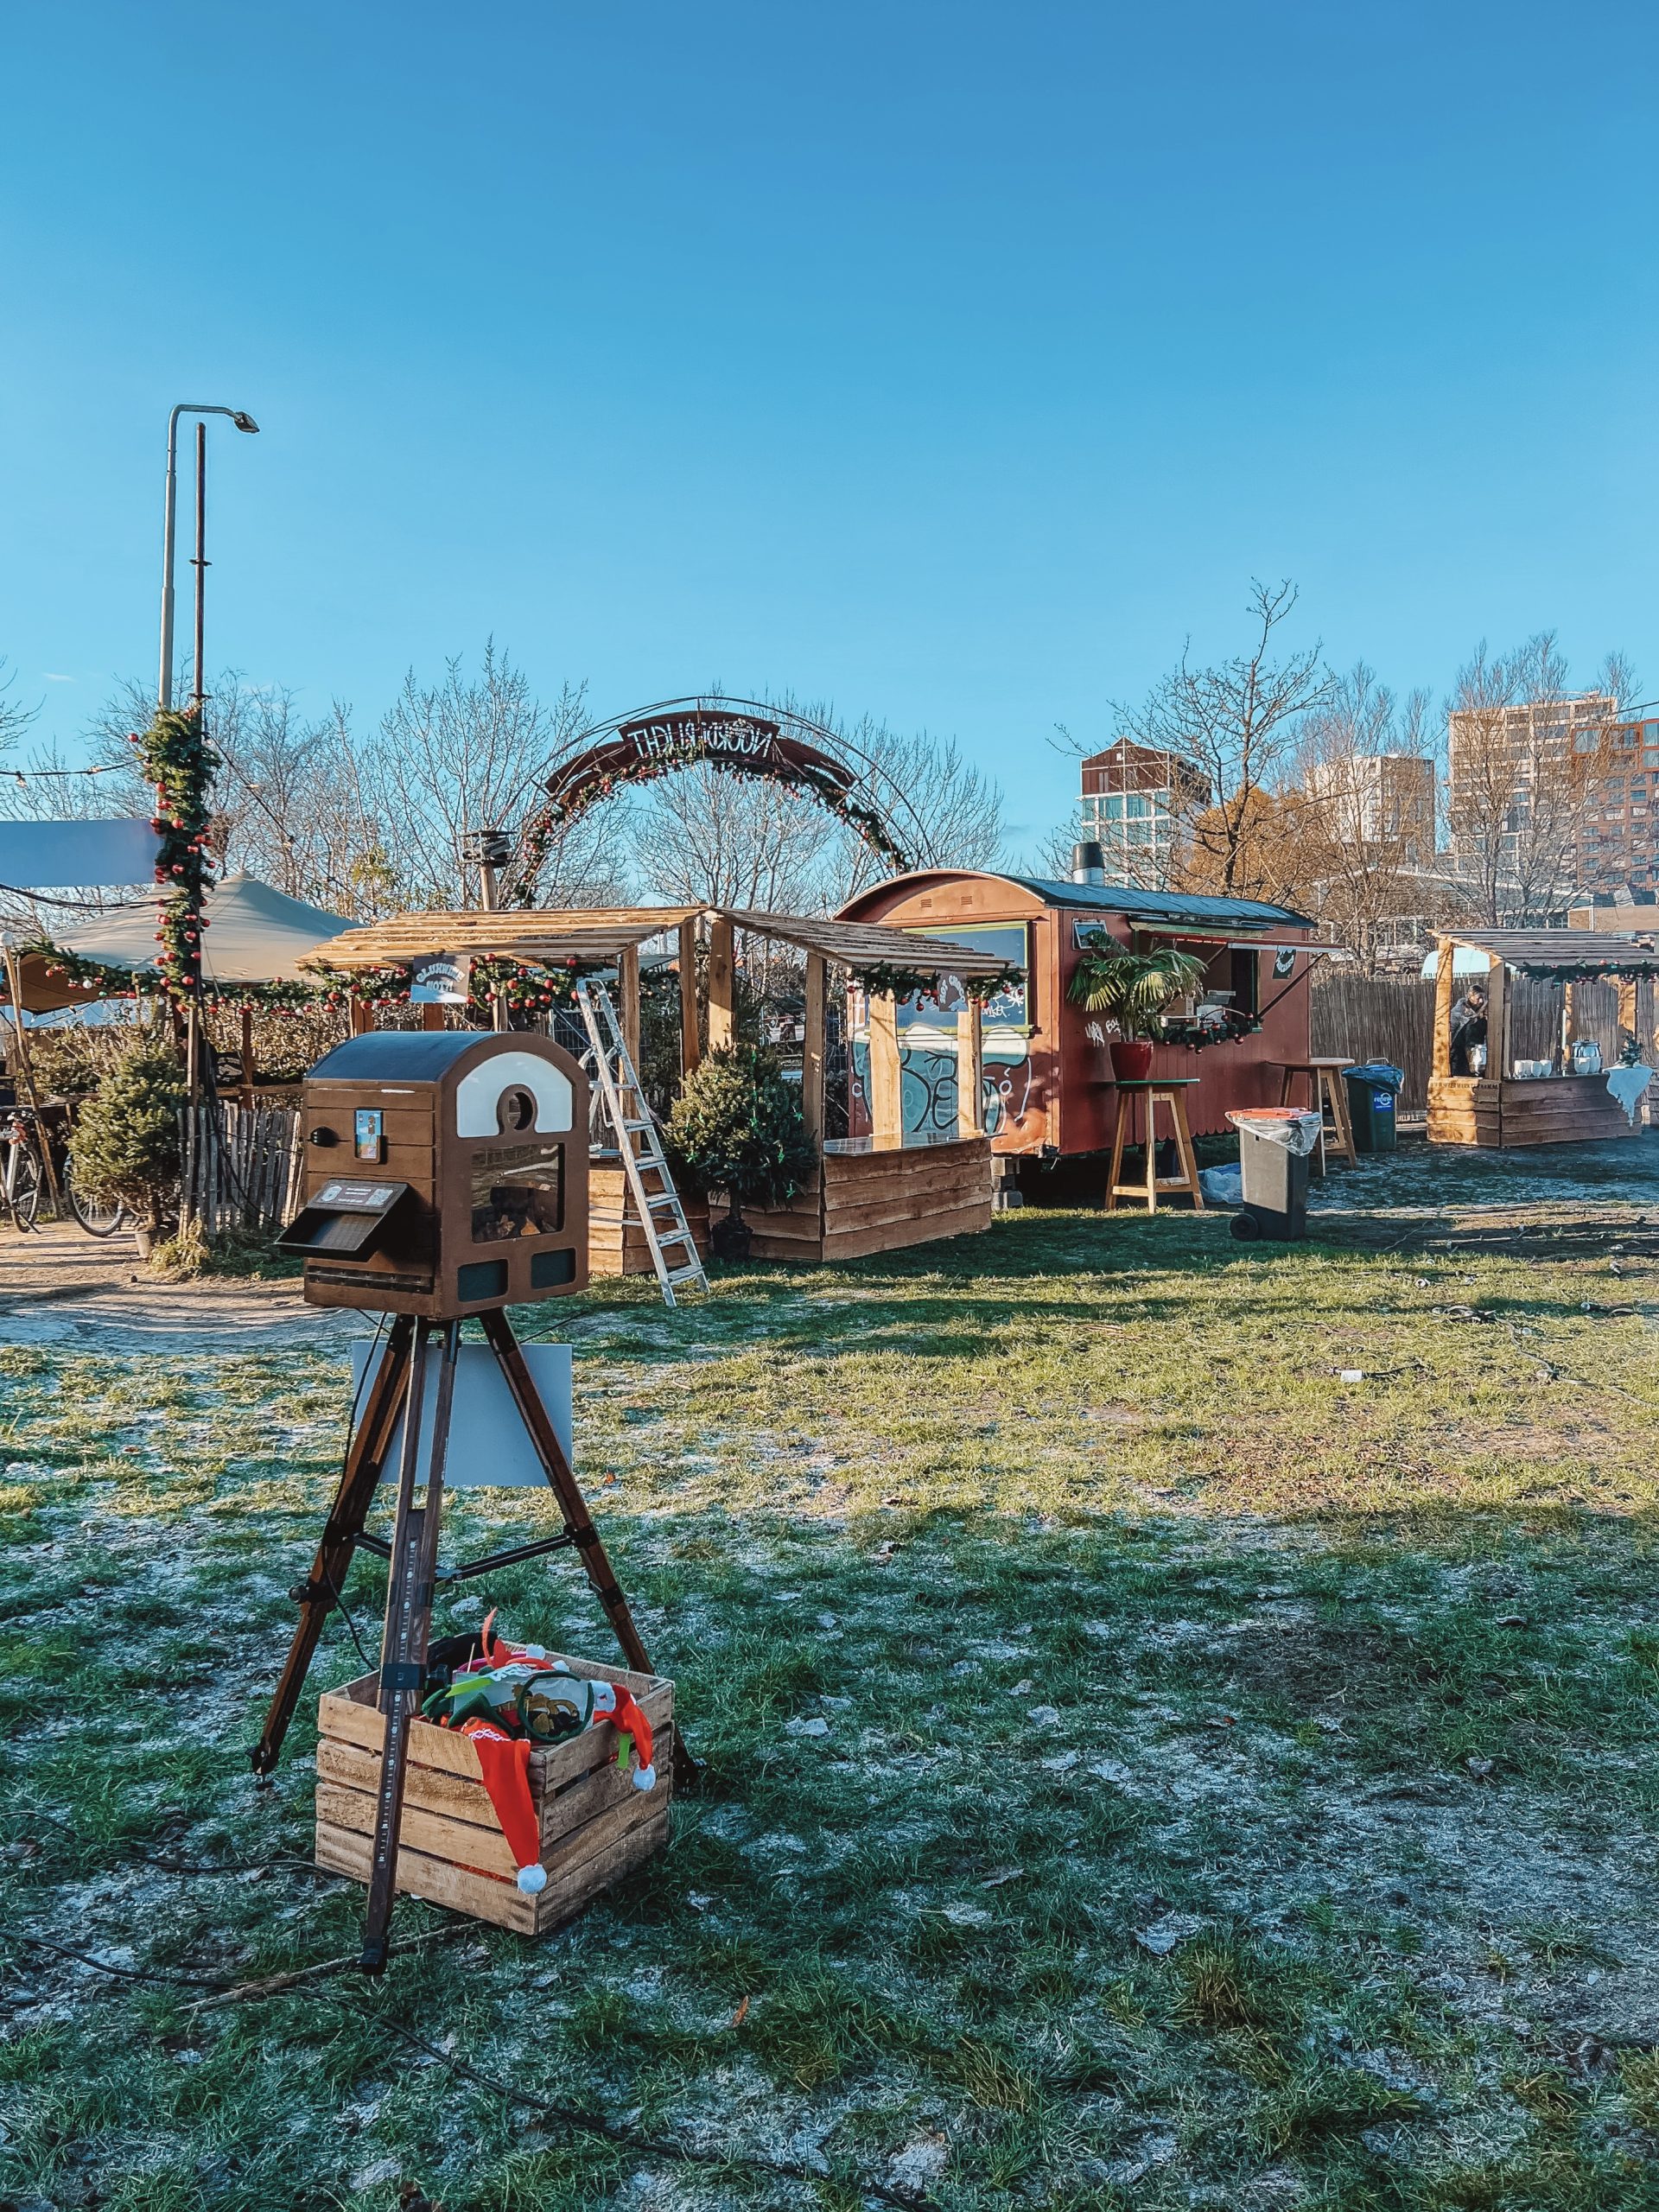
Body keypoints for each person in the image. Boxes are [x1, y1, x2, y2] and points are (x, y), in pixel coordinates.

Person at [1448, 982, 1488, 1075]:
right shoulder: (1459, 1011)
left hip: (1476, 1052)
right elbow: (1452, 1028)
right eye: (1479, 998)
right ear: (1470, 997)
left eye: (1483, 998)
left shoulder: (1482, 1012)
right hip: (1458, 1052)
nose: (1481, 1001)